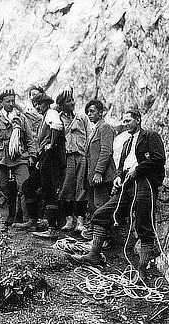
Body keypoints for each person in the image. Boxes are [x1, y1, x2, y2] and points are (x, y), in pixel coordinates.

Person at [67, 109, 166, 283]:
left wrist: (138, 170)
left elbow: (159, 159)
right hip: (127, 185)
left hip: (144, 184)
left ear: (138, 120)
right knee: (101, 214)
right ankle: (94, 255)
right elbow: (121, 167)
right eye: (124, 121)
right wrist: (118, 178)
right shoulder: (127, 143)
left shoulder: (150, 136)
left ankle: (142, 271)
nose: (126, 124)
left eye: (128, 121)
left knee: (144, 226)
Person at [0, 87, 37, 231]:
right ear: (2, 102)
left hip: (19, 155)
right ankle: (3, 220)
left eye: (13, 100)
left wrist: (32, 155)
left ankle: (28, 219)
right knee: (2, 189)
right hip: (1, 157)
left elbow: (29, 139)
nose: (11, 104)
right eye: (8, 101)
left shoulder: (21, 117)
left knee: (25, 186)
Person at [31, 92, 66, 239]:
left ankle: (52, 228)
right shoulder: (46, 116)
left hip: (52, 155)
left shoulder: (51, 113)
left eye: (39, 104)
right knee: (46, 188)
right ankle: (51, 225)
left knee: (50, 188)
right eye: (35, 105)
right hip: (46, 156)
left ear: (46, 103)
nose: (37, 107)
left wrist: (51, 144)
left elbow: (57, 127)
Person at [13, 85, 46, 230]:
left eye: (37, 95)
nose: (33, 97)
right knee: (24, 185)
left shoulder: (46, 115)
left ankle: (40, 217)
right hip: (28, 152)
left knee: (40, 185)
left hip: (41, 151)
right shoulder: (25, 113)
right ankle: (26, 217)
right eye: (31, 95)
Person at [57, 87, 90, 233]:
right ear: (62, 104)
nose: (72, 103)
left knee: (81, 187)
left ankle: (81, 221)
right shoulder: (57, 118)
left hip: (82, 155)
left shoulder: (82, 117)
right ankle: (69, 219)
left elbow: (89, 135)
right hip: (67, 157)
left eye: (72, 100)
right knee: (66, 187)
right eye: (68, 101)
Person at [84, 99, 115, 214]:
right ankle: (93, 231)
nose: (89, 114)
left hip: (102, 177)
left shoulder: (105, 127)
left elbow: (106, 151)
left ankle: (101, 232)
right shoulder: (95, 129)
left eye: (92, 111)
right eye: (88, 112)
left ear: (101, 112)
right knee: (93, 207)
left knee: (100, 207)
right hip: (93, 177)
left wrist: (99, 171)